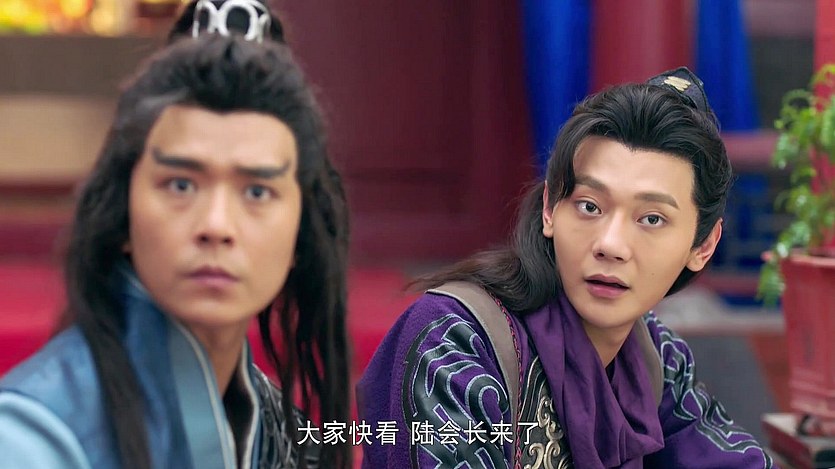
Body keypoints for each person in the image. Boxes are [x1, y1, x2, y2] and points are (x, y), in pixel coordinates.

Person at [358, 67, 777, 468]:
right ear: (549, 210)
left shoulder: (655, 358)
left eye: (651, 218)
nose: (610, 245)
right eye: (590, 207)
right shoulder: (455, 340)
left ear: (703, 246)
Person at [0, 3, 351, 468]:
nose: (216, 226)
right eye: (181, 185)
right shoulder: (33, 441)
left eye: (257, 191)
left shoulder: (286, 436)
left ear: (300, 236)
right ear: (123, 212)